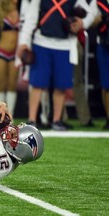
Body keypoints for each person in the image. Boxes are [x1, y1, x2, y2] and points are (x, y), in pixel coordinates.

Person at [17, 0, 95, 131]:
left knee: (61, 86)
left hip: (65, 45)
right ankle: (32, 119)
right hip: (41, 43)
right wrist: (23, 42)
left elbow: (92, 12)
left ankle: (57, 120)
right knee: (37, 84)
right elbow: (30, 19)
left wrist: (83, 23)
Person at [0, 0, 19, 119]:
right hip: (1, 52)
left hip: (15, 54)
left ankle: (9, 115)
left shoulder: (21, 12)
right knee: (1, 84)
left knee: (12, 85)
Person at [94, 0, 109, 129]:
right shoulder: (99, 2)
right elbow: (90, 21)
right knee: (106, 84)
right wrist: (103, 17)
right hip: (104, 43)